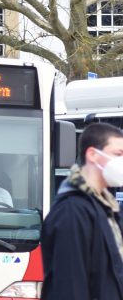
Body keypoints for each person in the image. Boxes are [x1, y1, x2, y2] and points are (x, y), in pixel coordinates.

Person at [42, 122, 123, 300]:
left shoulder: (106, 208)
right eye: (118, 154)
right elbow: (70, 285)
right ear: (93, 154)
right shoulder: (72, 211)